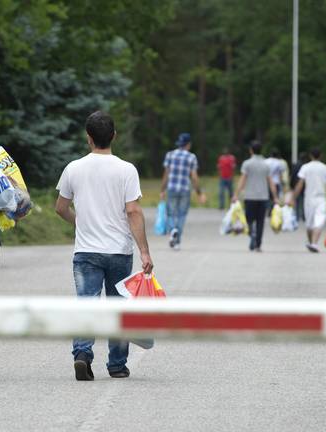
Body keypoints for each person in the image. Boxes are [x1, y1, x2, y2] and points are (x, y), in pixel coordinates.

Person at [55, 111, 153, 381]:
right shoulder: (126, 170)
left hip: (86, 251)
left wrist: (80, 222)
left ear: (88, 138)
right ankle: (117, 365)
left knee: (86, 303)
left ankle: (82, 354)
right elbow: (133, 211)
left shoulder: (73, 168)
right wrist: (144, 250)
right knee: (117, 306)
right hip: (119, 250)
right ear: (113, 136)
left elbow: (60, 207)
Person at [159, 132, 206, 250]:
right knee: (182, 214)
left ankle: (173, 230)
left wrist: (162, 189)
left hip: (172, 188)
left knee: (170, 213)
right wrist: (199, 193)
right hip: (185, 189)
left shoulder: (170, 155)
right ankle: (177, 241)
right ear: (188, 144)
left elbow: (166, 174)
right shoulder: (192, 157)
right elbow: (194, 177)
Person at [232, 141, 280, 252]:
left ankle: (252, 235)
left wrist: (236, 194)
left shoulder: (247, 164)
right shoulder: (266, 164)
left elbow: (242, 180)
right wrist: (275, 197)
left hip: (250, 196)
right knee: (260, 221)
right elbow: (271, 182)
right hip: (263, 197)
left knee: (248, 220)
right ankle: (258, 244)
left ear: (251, 150)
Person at [290, 148, 326, 253]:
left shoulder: (305, 167)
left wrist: (293, 197)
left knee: (310, 222)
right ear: (320, 156)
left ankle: (313, 243)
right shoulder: (325, 168)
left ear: (310, 156)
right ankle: (313, 242)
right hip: (321, 198)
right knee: (318, 221)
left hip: (308, 198)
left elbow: (300, 184)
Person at [290, 152, 309, 221]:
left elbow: (292, 176)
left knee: (297, 201)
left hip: (296, 185)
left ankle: (297, 216)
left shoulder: (295, 165)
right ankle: (304, 215)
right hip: (304, 186)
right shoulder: (306, 166)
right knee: (304, 201)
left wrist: (291, 185)